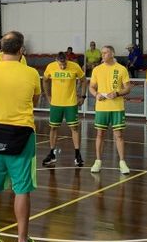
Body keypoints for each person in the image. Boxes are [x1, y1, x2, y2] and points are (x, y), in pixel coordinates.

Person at [0, 31, 43, 242]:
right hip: (22, 134)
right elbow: (34, 101)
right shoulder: (31, 73)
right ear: (21, 50)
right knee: (22, 188)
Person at [89, 45, 131, 175]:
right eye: (102, 53)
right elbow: (92, 87)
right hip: (102, 107)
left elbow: (127, 88)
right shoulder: (96, 69)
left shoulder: (121, 69)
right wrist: (96, 95)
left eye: (105, 53)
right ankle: (98, 161)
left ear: (112, 53)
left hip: (117, 107)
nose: (103, 55)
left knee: (118, 135)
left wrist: (117, 93)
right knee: (100, 134)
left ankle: (122, 162)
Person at [42, 51, 86, 167]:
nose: (63, 66)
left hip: (71, 103)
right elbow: (45, 80)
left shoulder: (75, 66)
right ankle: (52, 154)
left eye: (64, 64)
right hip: (56, 103)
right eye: (61, 65)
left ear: (66, 60)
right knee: (53, 128)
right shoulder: (51, 67)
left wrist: (83, 96)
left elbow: (83, 80)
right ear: (57, 60)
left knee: (74, 128)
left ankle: (77, 154)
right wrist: (48, 96)